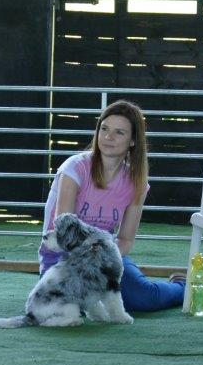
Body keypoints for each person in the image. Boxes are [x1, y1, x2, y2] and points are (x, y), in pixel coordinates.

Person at [38, 100, 184, 312]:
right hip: (62, 259)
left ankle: (184, 286)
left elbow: (125, 240)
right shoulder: (74, 168)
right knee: (70, 306)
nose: (108, 137)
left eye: (119, 132)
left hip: (104, 258)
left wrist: (102, 260)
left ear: (133, 141)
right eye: (104, 129)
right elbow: (64, 235)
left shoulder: (136, 182)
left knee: (144, 298)